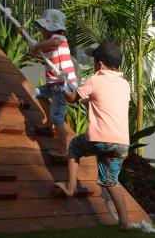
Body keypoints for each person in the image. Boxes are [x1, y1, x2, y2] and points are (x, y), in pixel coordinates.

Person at [54, 41, 133, 231]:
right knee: (111, 181)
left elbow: (73, 99)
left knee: (74, 147)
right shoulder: (124, 84)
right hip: (121, 144)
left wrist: (62, 87)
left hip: (100, 139)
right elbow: (105, 102)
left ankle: (70, 187)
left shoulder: (94, 79)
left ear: (99, 65)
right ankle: (125, 222)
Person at [28, 8, 78, 158]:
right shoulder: (48, 43)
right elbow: (35, 52)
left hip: (63, 85)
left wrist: (37, 45)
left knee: (58, 117)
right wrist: (25, 35)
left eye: (43, 28)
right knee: (37, 93)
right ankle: (49, 122)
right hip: (53, 85)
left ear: (51, 28)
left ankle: (63, 150)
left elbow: (53, 42)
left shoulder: (59, 38)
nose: (41, 30)